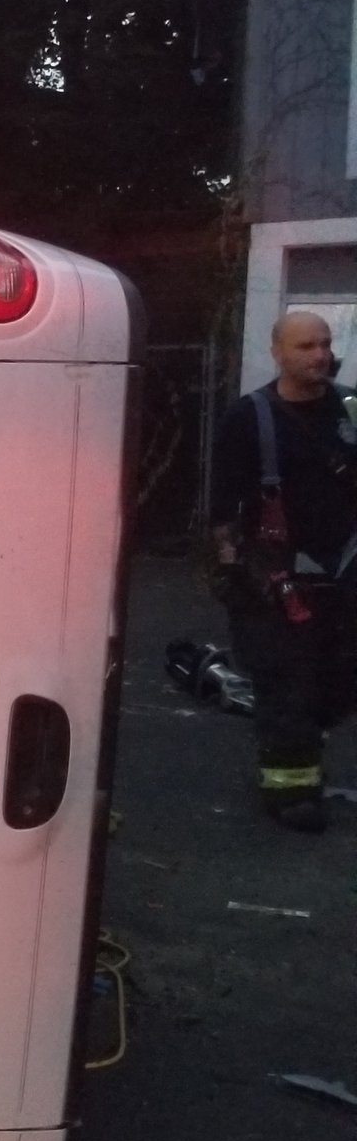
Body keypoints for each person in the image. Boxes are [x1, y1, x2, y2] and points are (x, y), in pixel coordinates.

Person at [208, 310, 357, 833]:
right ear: (277, 352)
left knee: (338, 681)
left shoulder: (352, 408)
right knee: (286, 682)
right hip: (277, 579)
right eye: (304, 347)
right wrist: (231, 575)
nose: (319, 355)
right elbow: (223, 508)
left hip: (345, 573)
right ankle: (291, 790)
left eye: (324, 344)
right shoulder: (247, 418)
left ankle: (303, 745)